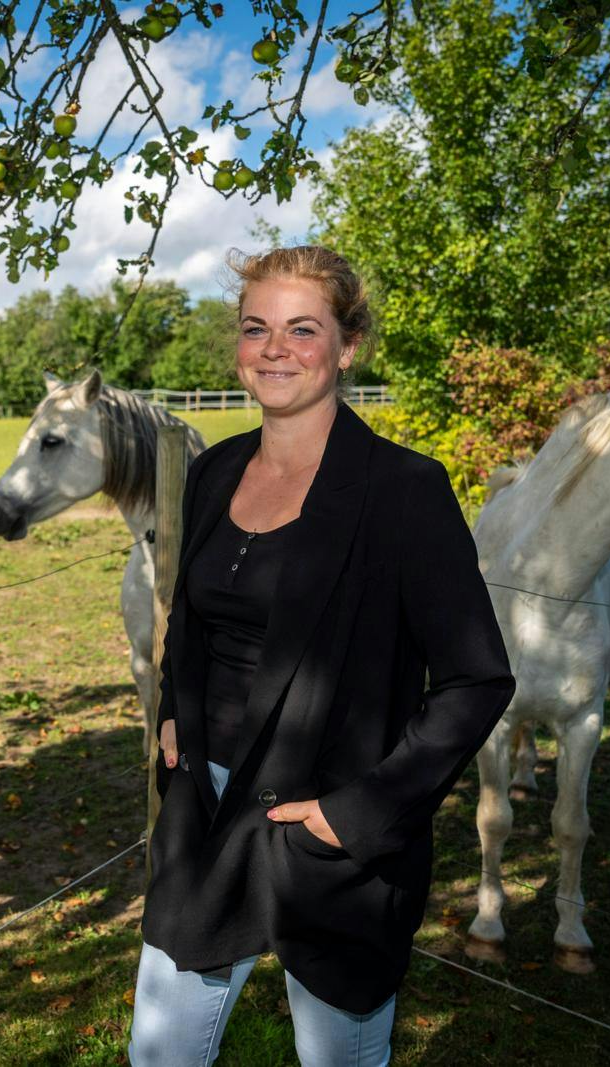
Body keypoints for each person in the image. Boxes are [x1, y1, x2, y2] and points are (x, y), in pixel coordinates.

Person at [128, 246, 515, 1066]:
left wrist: (360, 813)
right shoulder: (213, 470)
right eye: (255, 327)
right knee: (159, 1054)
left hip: (328, 827)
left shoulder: (404, 490)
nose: (275, 349)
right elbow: (188, 620)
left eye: (303, 329)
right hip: (206, 813)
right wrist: (173, 710)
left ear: (348, 345)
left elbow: (477, 678)